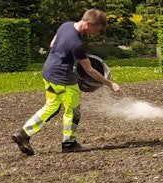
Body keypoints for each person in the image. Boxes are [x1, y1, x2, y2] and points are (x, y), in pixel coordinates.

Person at [11, 9, 121, 155]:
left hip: (48, 73)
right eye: (97, 29)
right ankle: (69, 143)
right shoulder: (77, 44)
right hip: (64, 79)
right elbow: (89, 70)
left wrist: (64, 56)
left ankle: (23, 134)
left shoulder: (66, 26)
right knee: (73, 111)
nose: (97, 32)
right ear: (89, 24)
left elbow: (53, 44)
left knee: (51, 107)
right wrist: (110, 83)